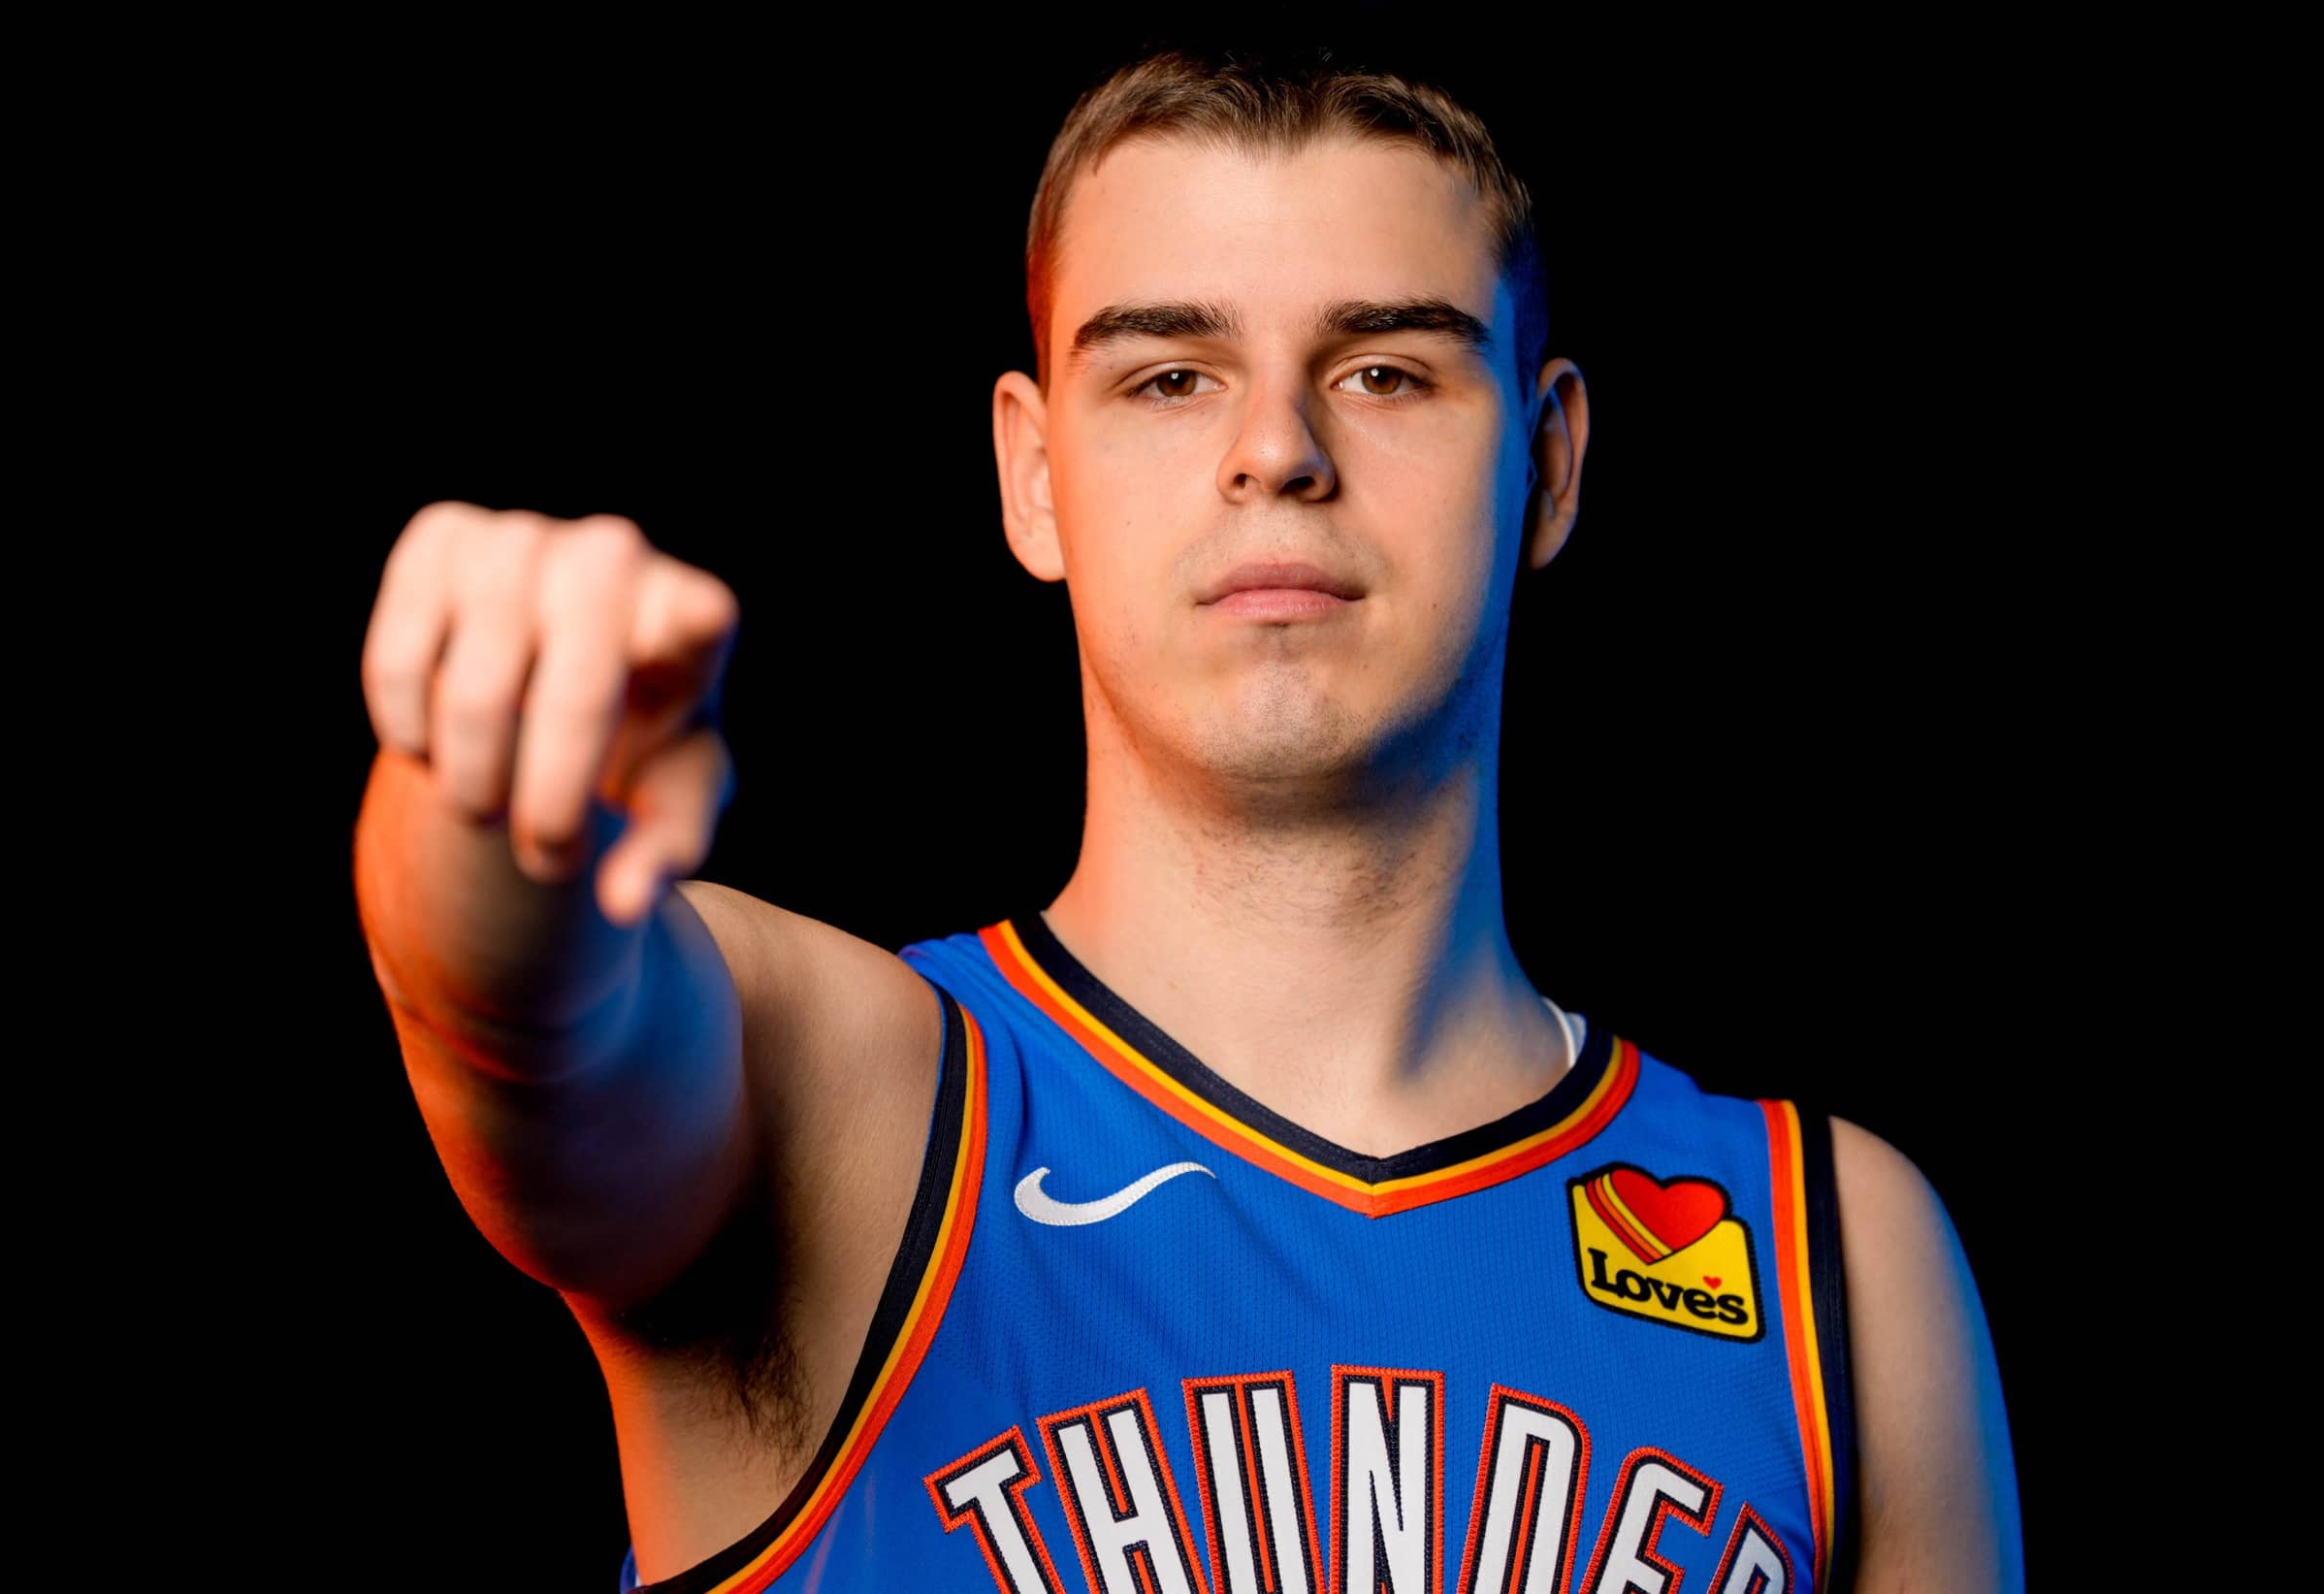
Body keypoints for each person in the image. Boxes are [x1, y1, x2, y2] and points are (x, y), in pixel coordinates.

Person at [351, 43, 2021, 1594]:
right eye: (1166, 376)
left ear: (1550, 459)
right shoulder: (849, 1105)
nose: (1275, 450)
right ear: (1031, 473)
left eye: (1383, 370)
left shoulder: (1831, 1260)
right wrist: (492, 784)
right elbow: (515, 1026)